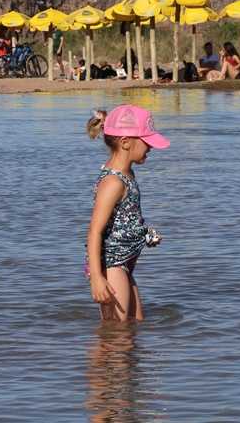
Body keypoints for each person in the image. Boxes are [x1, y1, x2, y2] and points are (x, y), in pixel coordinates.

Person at [85, 105, 170, 321]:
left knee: (135, 324)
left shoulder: (127, 174)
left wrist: (143, 234)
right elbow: (95, 231)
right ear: (125, 142)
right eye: (146, 141)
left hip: (124, 262)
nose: (150, 147)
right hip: (112, 265)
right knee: (116, 333)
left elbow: (123, 220)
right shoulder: (113, 182)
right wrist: (96, 277)